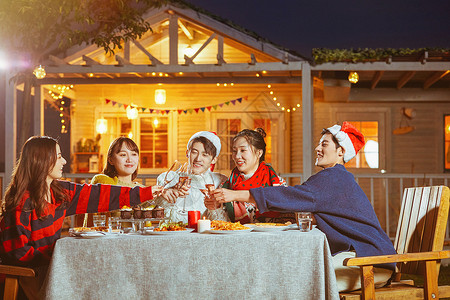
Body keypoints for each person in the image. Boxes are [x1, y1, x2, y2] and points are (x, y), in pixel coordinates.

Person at [212, 122, 396, 292]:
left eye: (324, 144)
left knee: (298, 280)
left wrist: (235, 195)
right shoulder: (334, 177)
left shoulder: (334, 178)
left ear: (341, 151)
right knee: (292, 270)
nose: (317, 148)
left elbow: (290, 196)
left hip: (369, 262)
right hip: (360, 256)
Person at [0, 136, 160, 297]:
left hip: (51, 270)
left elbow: (100, 195)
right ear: (39, 160)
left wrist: (151, 192)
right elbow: (17, 253)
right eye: (58, 157)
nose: (64, 162)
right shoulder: (22, 203)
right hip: (28, 277)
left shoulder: (59, 192)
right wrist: (58, 258)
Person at [206, 128, 291, 224]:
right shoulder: (226, 186)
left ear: (259, 153)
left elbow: (288, 218)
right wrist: (214, 208)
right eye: (234, 151)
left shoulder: (277, 183)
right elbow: (224, 226)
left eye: (243, 150)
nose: (237, 156)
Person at [155, 131, 227, 223]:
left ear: (213, 160)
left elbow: (225, 224)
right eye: (194, 152)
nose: (198, 159)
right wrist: (162, 196)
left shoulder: (220, 181)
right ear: (187, 153)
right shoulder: (169, 178)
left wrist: (215, 208)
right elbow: (150, 212)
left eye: (205, 155)